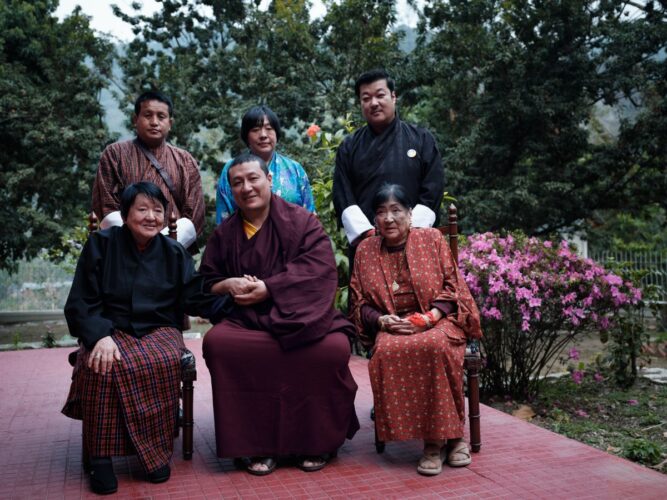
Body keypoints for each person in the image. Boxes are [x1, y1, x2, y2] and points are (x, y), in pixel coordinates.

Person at [200, 152, 359, 476]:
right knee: (219, 343)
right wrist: (226, 284)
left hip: (303, 316)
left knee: (332, 349)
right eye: (237, 182)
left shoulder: (302, 222)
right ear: (230, 190)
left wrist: (270, 288)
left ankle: (316, 443)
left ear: (269, 180)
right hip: (248, 321)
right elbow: (204, 284)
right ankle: (255, 445)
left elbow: (320, 271)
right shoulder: (226, 234)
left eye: (253, 178)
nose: (246, 187)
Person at [62, 182, 215, 495]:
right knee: (101, 362)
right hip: (108, 326)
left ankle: (153, 453)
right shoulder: (101, 245)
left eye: (157, 210)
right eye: (142, 209)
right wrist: (98, 336)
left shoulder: (174, 252)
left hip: (159, 328)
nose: (151, 217)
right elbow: (81, 300)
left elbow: (195, 295)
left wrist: (227, 290)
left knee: (157, 360)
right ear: (125, 213)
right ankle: (100, 459)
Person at [349, 184, 482, 476]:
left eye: (397, 210)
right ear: (374, 220)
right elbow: (359, 302)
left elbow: (453, 287)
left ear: (411, 215)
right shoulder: (365, 250)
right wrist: (382, 321)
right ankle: (447, 438)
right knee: (386, 350)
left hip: (438, 319)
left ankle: (438, 442)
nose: (389, 218)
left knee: (433, 346)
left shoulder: (432, 239)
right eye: (381, 212)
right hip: (392, 324)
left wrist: (431, 316)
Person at [333, 68, 445, 264]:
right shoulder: (349, 147)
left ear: (393, 97)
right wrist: (368, 235)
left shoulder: (421, 140)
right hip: (368, 247)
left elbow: (433, 189)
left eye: (380, 95)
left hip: (415, 245)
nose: (373, 103)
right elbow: (343, 195)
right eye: (366, 98)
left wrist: (408, 233)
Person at [92, 90, 205, 249]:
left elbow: (195, 213)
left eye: (161, 116)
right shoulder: (114, 154)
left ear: (170, 123)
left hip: (172, 252)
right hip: (124, 251)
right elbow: (106, 204)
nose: (154, 122)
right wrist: (134, 243)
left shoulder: (185, 160)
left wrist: (163, 247)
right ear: (135, 119)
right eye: (147, 115)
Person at [216, 105, 315, 223]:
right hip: (245, 240)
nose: (263, 135)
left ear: (276, 133)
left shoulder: (295, 169)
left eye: (269, 128)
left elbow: (310, 217)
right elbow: (224, 220)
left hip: (293, 240)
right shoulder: (232, 169)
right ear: (246, 136)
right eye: (255, 130)